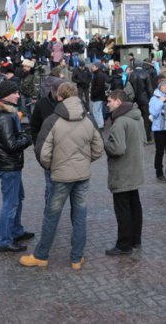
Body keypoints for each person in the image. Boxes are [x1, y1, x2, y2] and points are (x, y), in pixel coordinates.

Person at [20, 82, 103, 270]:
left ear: (59, 97)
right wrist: (85, 161)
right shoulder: (88, 119)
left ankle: (41, 255)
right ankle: (76, 258)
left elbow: (42, 152)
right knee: (80, 215)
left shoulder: (53, 120)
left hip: (60, 176)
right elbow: (98, 147)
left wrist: (51, 167)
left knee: (52, 215)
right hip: (82, 175)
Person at [0, 80, 34, 253]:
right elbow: (12, 145)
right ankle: (5, 240)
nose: (18, 95)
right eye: (15, 92)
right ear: (7, 95)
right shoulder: (5, 117)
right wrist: (26, 139)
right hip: (8, 166)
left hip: (11, 164)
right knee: (10, 203)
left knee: (18, 198)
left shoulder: (7, 114)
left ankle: (16, 230)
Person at [103, 90, 146, 256]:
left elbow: (118, 149)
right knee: (135, 205)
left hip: (123, 171)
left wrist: (105, 143)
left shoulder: (120, 122)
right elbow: (143, 139)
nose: (107, 104)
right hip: (135, 168)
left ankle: (124, 244)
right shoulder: (137, 117)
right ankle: (136, 239)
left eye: (109, 101)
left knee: (123, 209)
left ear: (118, 102)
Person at [89, 61, 107, 129]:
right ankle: (101, 124)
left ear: (97, 67)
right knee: (98, 111)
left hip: (98, 96)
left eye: (93, 66)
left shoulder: (98, 75)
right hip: (99, 96)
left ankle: (98, 125)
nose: (92, 67)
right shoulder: (98, 74)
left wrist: (93, 94)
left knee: (96, 111)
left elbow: (99, 87)